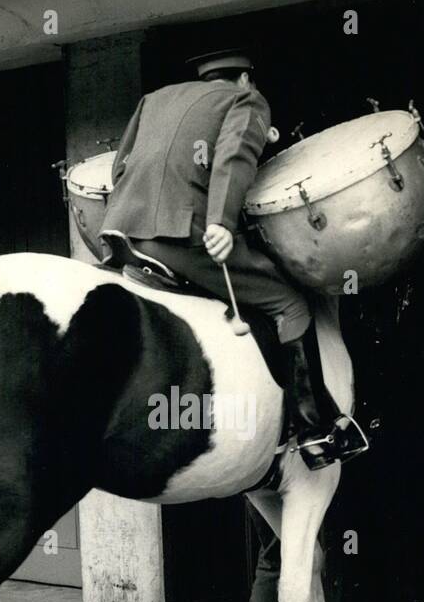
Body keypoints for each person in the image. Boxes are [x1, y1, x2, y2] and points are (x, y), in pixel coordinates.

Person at [99, 47, 367, 469]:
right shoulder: (247, 100)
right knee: (288, 304)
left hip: (122, 230)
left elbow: (122, 167)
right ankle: (317, 433)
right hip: (179, 235)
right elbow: (232, 157)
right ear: (246, 79)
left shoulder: (156, 99)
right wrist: (222, 222)